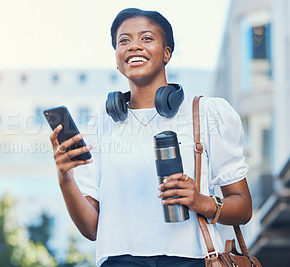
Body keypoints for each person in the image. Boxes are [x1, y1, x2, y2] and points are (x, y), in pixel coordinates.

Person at [49, 8, 252, 267]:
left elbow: (243, 207)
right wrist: (65, 178)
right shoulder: (100, 128)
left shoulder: (206, 114)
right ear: (116, 57)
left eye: (146, 38)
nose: (134, 46)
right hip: (119, 261)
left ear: (167, 53)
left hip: (191, 260)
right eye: (124, 40)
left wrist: (201, 201)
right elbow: (90, 228)